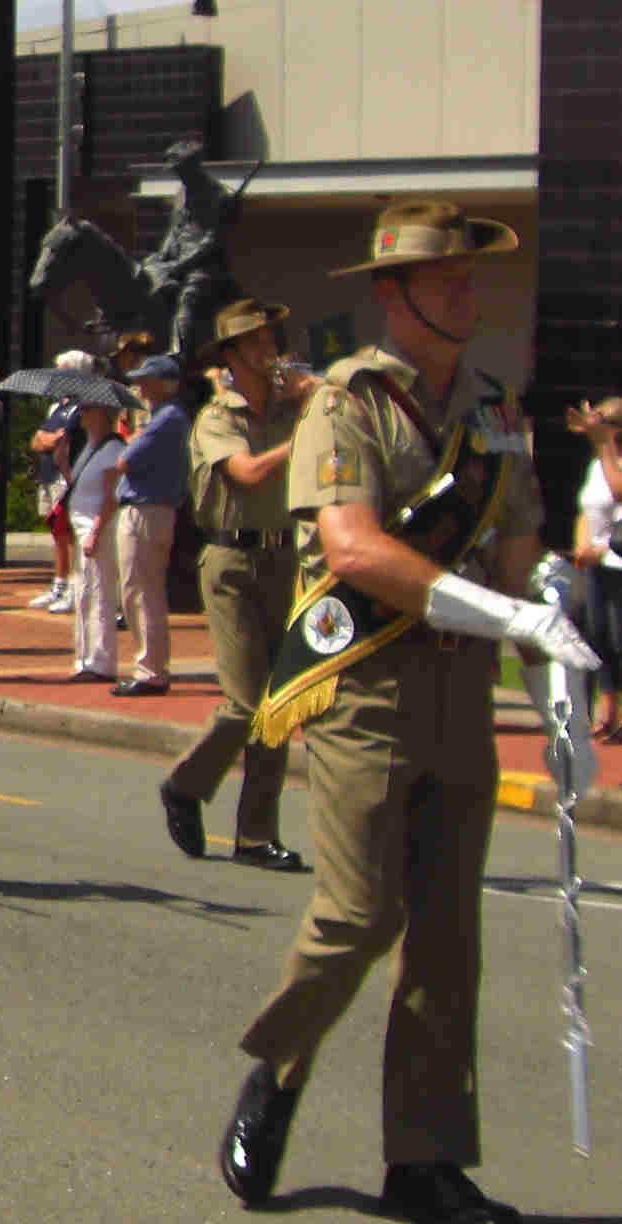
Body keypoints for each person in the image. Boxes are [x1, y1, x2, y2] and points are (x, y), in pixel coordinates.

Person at [217, 200, 596, 1224]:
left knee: (443, 938)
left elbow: (517, 557)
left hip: (459, 692)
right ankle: (278, 1065)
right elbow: (351, 550)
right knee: (354, 915)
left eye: (469, 278)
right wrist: (499, 605)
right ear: (391, 293)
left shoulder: (490, 409)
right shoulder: (345, 401)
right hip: (365, 690)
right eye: (444, 279)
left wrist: (556, 670)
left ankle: (424, 1161)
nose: (463, 294)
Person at [159, 300, 311, 871]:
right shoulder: (219, 418)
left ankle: (255, 834)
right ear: (229, 356)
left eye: (270, 340)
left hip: (283, 558)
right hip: (231, 560)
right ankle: (185, 783)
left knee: (278, 704)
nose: (266, 351)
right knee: (246, 702)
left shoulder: (290, 410)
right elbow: (245, 474)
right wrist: (303, 437)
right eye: (252, 343)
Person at [112, 354, 193, 696]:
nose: (140, 386)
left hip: (147, 510)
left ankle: (151, 670)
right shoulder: (163, 417)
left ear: (165, 383)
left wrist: (132, 439)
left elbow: (125, 461)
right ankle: (150, 666)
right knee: (140, 591)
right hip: (148, 509)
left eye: (146, 380)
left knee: (142, 592)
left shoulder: (167, 418)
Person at [27, 350, 99, 612]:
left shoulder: (85, 405)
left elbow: (62, 440)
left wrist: (48, 440)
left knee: (70, 533)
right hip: (49, 474)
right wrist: (46, 440)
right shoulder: (58, 405)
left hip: (69, 475)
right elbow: (37, 439)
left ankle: (73, 587)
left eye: (61, 370)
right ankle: (59, 584)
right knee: (57, 532)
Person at [568, 395, 622, 742]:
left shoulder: (611, 462)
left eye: (603, 418)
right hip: (597, 564)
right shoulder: (595, 465)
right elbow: (587, 509)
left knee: (620, 639)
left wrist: (603, 445)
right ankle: (607, 715)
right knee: (598, 637)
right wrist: (581, 545)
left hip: (617, 560)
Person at [64, 394, 126, 682]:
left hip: (96, 529)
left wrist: (96, 531)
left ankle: (100, 662)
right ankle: (84, 657)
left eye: (87, 409)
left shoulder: (113, 449)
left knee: (100, 595)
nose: (82, 415)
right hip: (80, 528)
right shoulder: (89, 447)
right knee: (84, 594)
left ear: (102, 413)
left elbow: (110, 498)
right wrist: (62, 461)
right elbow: (77, 487)